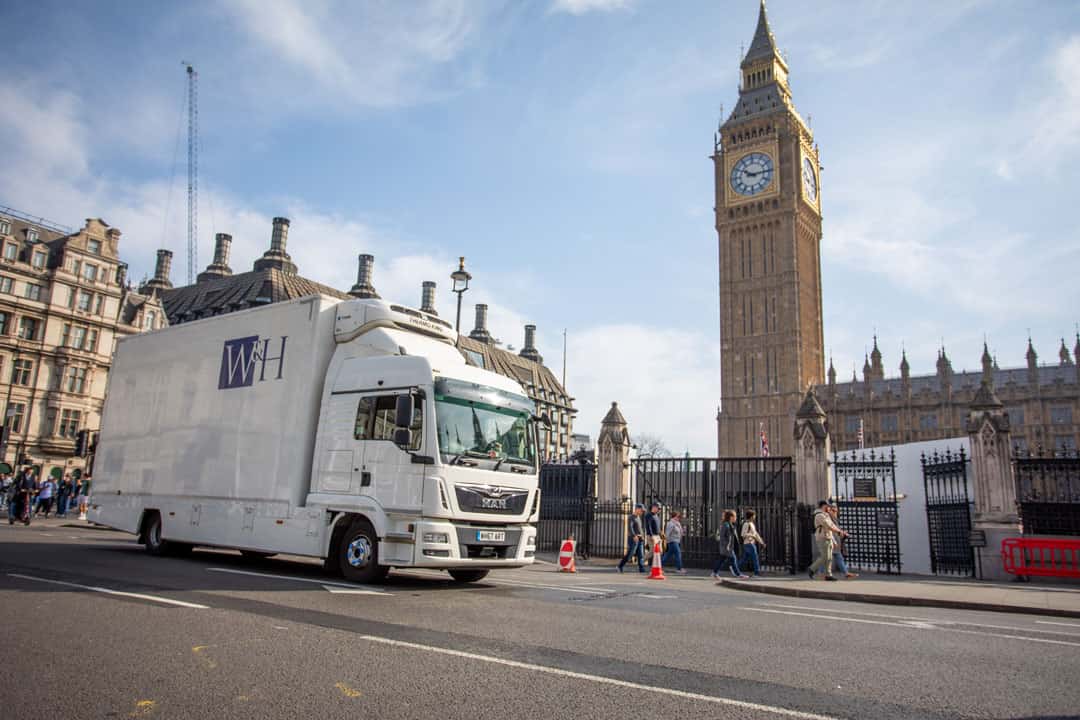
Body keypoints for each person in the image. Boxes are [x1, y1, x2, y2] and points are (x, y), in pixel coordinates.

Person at [808, 500, 844, 581]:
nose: (829, 508)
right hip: (822, 538)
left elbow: (831, 526)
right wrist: (839, 531)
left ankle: (828, 574)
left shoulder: (826, 515)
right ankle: (811, 569)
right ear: (823, 506)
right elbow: (828, 526)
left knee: (829, 558)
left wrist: (834, 540)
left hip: (828, 537)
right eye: (827, 506)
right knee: (825, 557)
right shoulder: (819, 515)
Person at [712, 509, 748, 580]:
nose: (736, 518)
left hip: (728, 547)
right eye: (735, 516)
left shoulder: (729, 524)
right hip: (727, 547)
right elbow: (722, 537)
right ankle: (738, 574)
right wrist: (727, 545)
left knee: (721, 560)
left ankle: (715, 573)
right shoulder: (726, 525)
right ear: (731, 517)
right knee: (733, 559)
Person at [828, 504, 858, 579]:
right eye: (834, 511)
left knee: (837, 557)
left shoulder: (834, 519)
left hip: (836, 541)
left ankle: (846, 572)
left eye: (836, 511)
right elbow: (832, 529)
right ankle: (817, 571)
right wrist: (842, 533)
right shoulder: (828, 518)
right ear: (830, 510)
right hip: (831, 540)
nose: (835, 513)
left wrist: (843, 533)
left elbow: (837, 529)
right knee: (826, 558)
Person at [617, 504, 647, 573]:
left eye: (642, 511)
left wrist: (642, 536)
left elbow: (640, 528)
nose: (642, 512)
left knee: (641, 555)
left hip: (640, 538)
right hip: (633, 538)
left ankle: (641, 568)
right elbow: (630, 527)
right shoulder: (631, 517)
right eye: (641, 510)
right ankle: (620, 566)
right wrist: (634, 536)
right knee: (630, 554)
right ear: (637, 509)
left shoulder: (638, 517)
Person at [739, 509, 766, 577]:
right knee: (755, 557)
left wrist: (762, 542)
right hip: (749, 543)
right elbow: (743, 534)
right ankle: (756, 573)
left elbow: (756, 534)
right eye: (754, 515)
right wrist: (752, 535)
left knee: (744, 559)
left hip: (750, 543)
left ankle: (734, 568)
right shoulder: (746, 524)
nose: (755, 517)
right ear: (751, 516)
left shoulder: (752, 524)